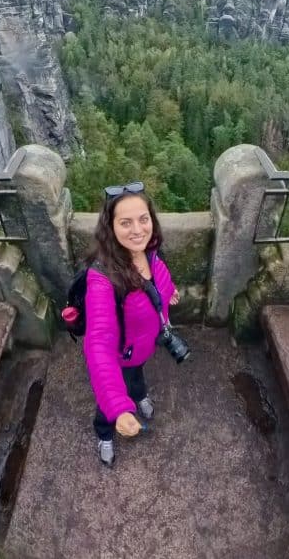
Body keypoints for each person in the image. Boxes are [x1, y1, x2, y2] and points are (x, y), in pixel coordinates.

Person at [83, 181, 180, 467]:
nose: (137, 230)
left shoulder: (151, 252)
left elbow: (159, 279)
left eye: (143, 219)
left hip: (140, 348)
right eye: (125, 223)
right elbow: (98, 343)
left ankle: (139, 397)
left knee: (136, 376)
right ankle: (105, 434)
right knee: (108, 405)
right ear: (110, 227)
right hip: (117, 353)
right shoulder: (103, 279)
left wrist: (170, 291)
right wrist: (118, 408)